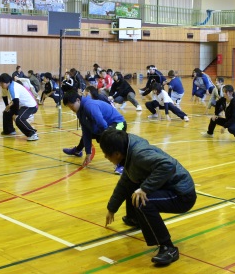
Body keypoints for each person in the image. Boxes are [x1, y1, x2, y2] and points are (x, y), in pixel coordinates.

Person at [101, 128, 196, 266]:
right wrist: (112, 208)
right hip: (170, 187)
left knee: (142, 201)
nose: (105, 157)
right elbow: (125, 182)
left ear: (116, 153)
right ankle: (135, 218)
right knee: (133, 185)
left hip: (182, 194)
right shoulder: (127, 149)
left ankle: (168, 248)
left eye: (106, 154)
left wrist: (145, 188)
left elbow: (168, 166)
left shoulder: (139, 154)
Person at [62, 91, 126, 173]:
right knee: (87, 134)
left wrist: (103, 139)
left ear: (78, 100)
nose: (71, 109)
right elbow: (86, 133)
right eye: (69, 107)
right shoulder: (79, 112)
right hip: (104, 126)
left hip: (118, 123)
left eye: (71, 106)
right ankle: (78, 151)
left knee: (110, 138)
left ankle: (122, 164)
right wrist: (88, 153)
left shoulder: (90, 106)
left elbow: (103, 125)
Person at [0, 73, 39, 141]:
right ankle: (9, 130)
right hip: (21, 105)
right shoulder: (5, 87)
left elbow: (16, 102)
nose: (1, 85)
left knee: (18, 118)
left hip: (30, 106)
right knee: (6, 112)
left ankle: (32, 133)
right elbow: (4, 97)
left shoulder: (13, 88)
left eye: (2, 83)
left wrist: (16, 114)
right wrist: (7, 107)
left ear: (7, 82)